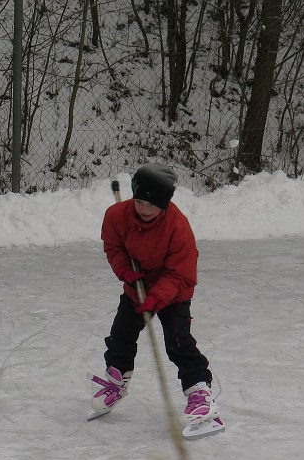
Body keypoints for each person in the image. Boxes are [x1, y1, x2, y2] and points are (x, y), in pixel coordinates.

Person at [88, 163, 220, 428]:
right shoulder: (116, 215)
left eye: (152, 204)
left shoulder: (177, 227)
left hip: (174, 291)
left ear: (164, 204)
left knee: (178, 343)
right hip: (137, 284)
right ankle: (116, 380)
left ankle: (200, 393)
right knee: (121, 335)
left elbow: (181, 272)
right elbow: (113, 247)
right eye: (139, 201)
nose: (144, 209)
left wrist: (157, 297)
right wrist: (125, 270)